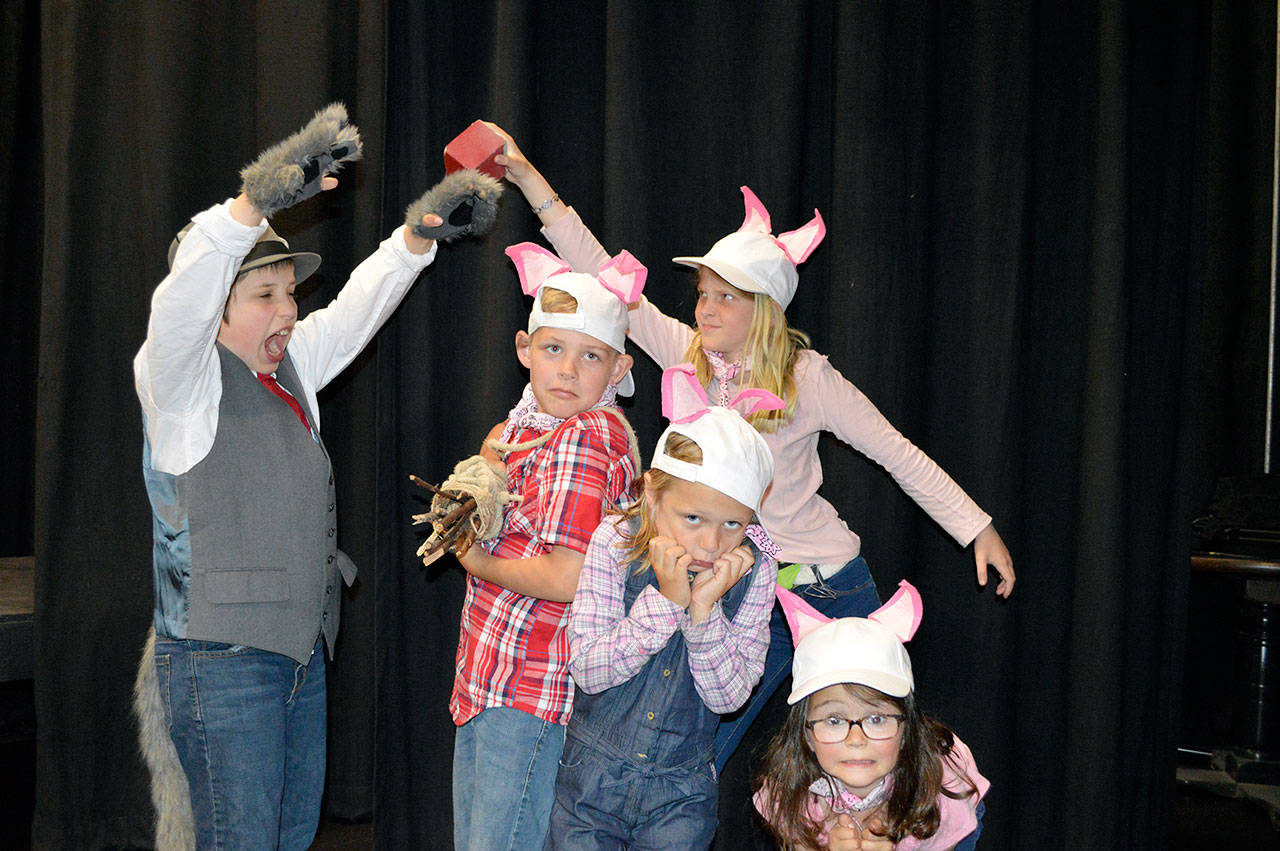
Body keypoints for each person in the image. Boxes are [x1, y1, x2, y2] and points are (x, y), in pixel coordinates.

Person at [484, 123, 1015, 767]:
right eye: (703, 294)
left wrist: (976, 526)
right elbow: (605, 271)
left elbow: (896, 452)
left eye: (726, 298)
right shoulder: (687, 354)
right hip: (736, 580)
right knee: (696, 747)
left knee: (873, 738)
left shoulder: (806, 378)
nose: (706, 309)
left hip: (825, 585)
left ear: (764, 308)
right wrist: (530, 180)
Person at [134, 105, 442, 848]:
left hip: (298, 660)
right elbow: (181, 303)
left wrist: (414, 239)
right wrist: (252, 204)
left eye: (289, 293)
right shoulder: (178, 383)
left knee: (290, 838)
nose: (288, 311)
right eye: (264, 295)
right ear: (215, 314)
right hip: (221, 665)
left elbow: (356, 311)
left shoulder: (292, 368)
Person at [448, 241, 647, 850]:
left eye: (591, 356)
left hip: (532, 686)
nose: (567, 370)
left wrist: (475, 558)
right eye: (553, 349)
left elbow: (567, 577)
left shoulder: (586, 435)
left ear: (618, 369)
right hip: (494, 674)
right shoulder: (530, 425)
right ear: (524, 349)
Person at [545, 365, 783, 849]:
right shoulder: (615, 540)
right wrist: (666, 601)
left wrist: (704, 611)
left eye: (733, 525)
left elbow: (729, 699)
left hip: (682, 794)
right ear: (652, 494)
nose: (710, 543)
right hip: (592, 781)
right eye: (692, 517)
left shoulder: (758, 570)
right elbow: (588, 668)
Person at [754, 582, 988, 850]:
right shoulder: (790, 795)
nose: (856, 740)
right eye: (834, 721)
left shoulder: (939, 789)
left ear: (906, 730)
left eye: (876, 719)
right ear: (806, 734)